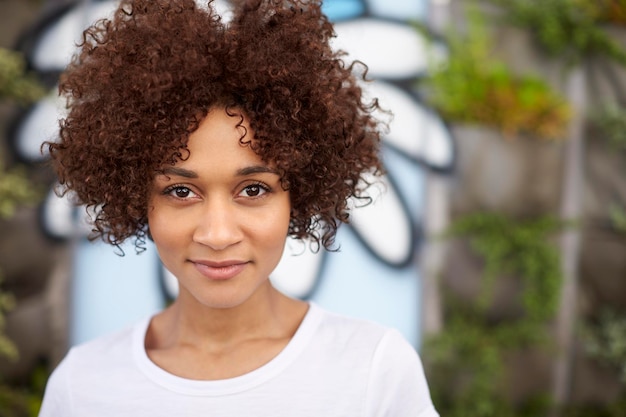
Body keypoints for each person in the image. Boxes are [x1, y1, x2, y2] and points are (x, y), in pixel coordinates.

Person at [38, 0, 439, 415]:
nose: (217, 234)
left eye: (252, 190)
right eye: (180, 191)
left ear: (297, 193)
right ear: (137, 196)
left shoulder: (373, 370)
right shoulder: (83, 385)